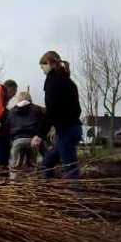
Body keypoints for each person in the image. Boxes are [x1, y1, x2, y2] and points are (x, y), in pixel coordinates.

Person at [35, 51, 82, 179]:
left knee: (71, 168)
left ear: (50, 63)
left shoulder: (54, 82)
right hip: (71, 129)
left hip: (67, 131)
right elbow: (75, 110)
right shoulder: (67, 81)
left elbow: (52, 110)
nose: (42, 69)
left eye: (42, 66)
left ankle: (78, 197)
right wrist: (57, 126)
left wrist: (40, 134)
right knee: (47, 162)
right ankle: (51, 193)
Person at [7, 92, 46, 179]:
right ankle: (32, 185)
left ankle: (13, 185)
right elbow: (43, 123)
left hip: (17, 141)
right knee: (32, 166)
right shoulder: (38, 109)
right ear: (30, 99)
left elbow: (7, 126)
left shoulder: (12, 111)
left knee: (15, 167)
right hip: (33, 140)